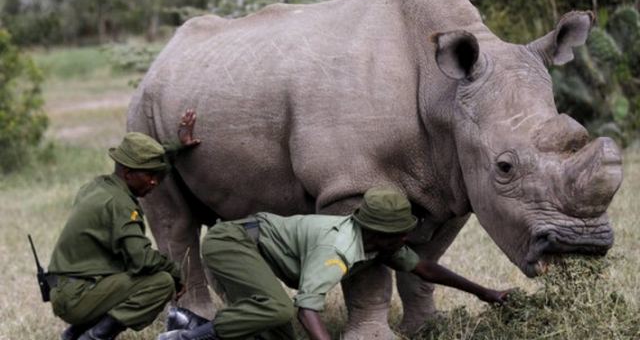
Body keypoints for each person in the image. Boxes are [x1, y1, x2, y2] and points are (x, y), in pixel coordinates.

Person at [157, 187, 512, 340]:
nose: (406, 238)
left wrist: (486, 292)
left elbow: (424, 268)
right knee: (279, 311)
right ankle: (189, 337)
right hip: (232, 242)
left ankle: (186, 321)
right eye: (400, 233)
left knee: (276, 335)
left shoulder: (377, 245)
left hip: (256, 246)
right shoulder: (339, 249)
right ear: (380, 233)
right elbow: (306, 309)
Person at [47, 109, 201, 340]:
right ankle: (96, 336)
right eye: (150, 176)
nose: (154, 182)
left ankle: (74, 334)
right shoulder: (120, 205)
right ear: (128, 174)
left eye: (157, 176)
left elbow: (147, 163)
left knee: (127, 269)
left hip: (66, 289)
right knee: (161, 282)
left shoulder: (98, 186)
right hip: (78, 295)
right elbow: (142, 260)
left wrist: (176, 146)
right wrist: (177, 273)